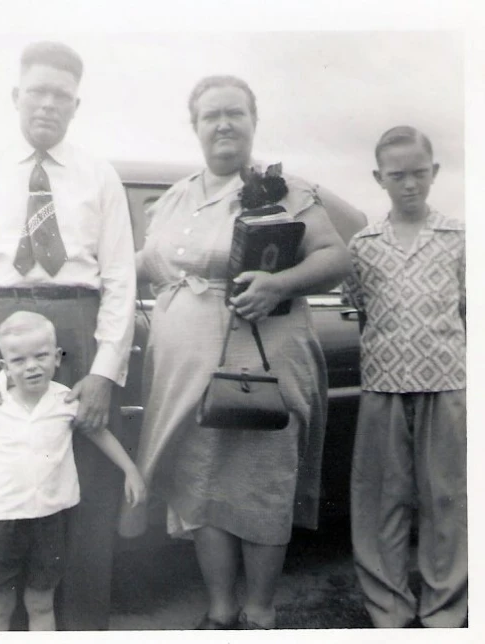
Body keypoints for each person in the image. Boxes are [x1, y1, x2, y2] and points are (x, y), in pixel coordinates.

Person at [118, 75, 355, 630]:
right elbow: (148, 264)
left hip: (260, 362)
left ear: (253, 120)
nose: (223, 124)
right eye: (210, 115)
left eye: (235, 113)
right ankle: (222, 612)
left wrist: (280, 284)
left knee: (259, 489)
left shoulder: (283, 188)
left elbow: (335, 257)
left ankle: (261, 613)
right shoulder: (176, 195)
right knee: (200, 490)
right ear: (195, 125)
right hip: (182, 371)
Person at [0, 41, 136, 630]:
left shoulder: (98, 174)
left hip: (77, 322)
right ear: (16, 96)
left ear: (76, 104)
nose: (48, 104)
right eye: (37, 92)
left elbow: (121, 277)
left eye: (61, 96)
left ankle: (77, 628)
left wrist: (103, 371)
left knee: (84, 479)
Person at [0, 311, 146, 631]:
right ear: (5, 367)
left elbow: (99, 433)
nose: (31, 366)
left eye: (41, 356)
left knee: (41, 603)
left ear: (56, 358)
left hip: (49, 519)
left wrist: (130, 469)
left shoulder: (64, 400)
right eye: (19, 360)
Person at [342, 126, 467, 628]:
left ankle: (444, 612)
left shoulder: (460, 238)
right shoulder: (363, 245)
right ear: (379, 178)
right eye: (397, 176)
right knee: (380, 502)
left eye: (419, 173)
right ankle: (389, 610)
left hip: (448, 384)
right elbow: (362, 308)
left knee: (448, 499)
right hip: (383, 385)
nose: (409, 184)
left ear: (434, 173)